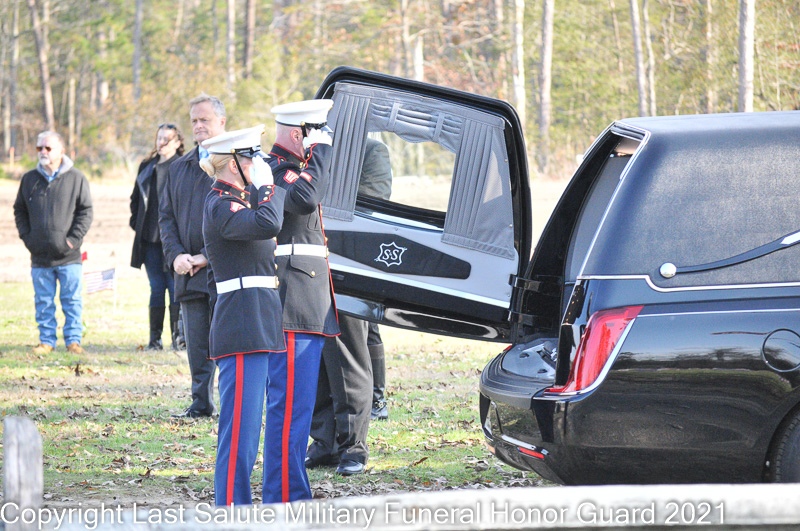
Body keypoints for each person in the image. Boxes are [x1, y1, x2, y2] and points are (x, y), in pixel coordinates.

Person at [198, 125, 286, 506]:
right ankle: (231, 511)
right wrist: (268, 187)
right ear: (233, 164)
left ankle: (236, 508)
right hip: (242, 325)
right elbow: (269, 223)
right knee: (239, 435)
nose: (258, 164)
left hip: (257, 322)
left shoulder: (238, 201)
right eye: (251, 157)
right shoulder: (221, 205)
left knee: (249, 432)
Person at [265, 99, 340, 503]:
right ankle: (284, 496)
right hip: (293, 300)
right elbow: (307, 197)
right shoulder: (278, 170)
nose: (320, 142)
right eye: (316, 133)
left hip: (306, 301)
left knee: (299, 407)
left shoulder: (293, 168)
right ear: (299, 134)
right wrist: (322, 151)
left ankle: (291, 490)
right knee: (290, 406)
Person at [305, 137, 393, 477]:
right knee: (316, 359)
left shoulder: (370, 150)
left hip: (349, 265)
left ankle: (352, 446)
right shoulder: (310, 152)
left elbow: (374, 202)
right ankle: (324, 441)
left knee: (348, 359)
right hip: (308, 266)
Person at [159, 94, 226, 419]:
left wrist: (206, 256)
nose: (198, 125)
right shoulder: (178, 168)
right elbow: (166, 218)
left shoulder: (235, 164)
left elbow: (242, 218)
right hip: (188, 272)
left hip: (225, 270)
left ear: (221, 122)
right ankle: (201, 403)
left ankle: (233, 404)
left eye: (205, 119)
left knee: (226, 342)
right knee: (196, 342)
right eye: (194, 120)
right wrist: (176, 257)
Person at [14, 131, 93, 355]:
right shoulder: (29, 179)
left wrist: (72, 241)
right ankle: (46, 341)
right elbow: (19, 210)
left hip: (69, 257)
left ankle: (73, 341)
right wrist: (28, 238)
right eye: (39, 148)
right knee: (43, 301)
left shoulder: (76, 178)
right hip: (39, 256)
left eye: (48, 148)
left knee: (72, 300)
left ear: (61, 151)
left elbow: (86, 212)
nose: (43, 152)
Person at [129, 123, 185, 351]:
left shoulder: (183, 166)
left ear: (178, 143)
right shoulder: (147, 166)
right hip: (150, 240)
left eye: (167, 139)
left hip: (174, 242)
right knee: (156, 289)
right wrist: (137, 223)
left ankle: (178, 338)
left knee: (175, 289)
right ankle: (155, 339)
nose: (161, 143)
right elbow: (135, 199)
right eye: (159, 138)